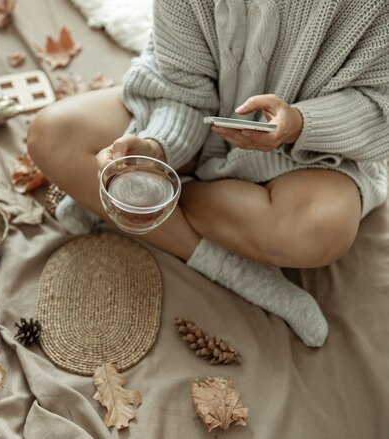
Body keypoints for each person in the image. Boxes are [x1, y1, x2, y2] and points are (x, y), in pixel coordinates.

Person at [27, 0, 389, 347]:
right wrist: (157, 147)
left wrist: (299, 124)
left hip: (312, 153)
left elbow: (379, 105)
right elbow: (179, 82)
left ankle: (139, 199)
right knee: (52, 134)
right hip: (196, 120)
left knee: (320, 229)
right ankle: (229, 267)